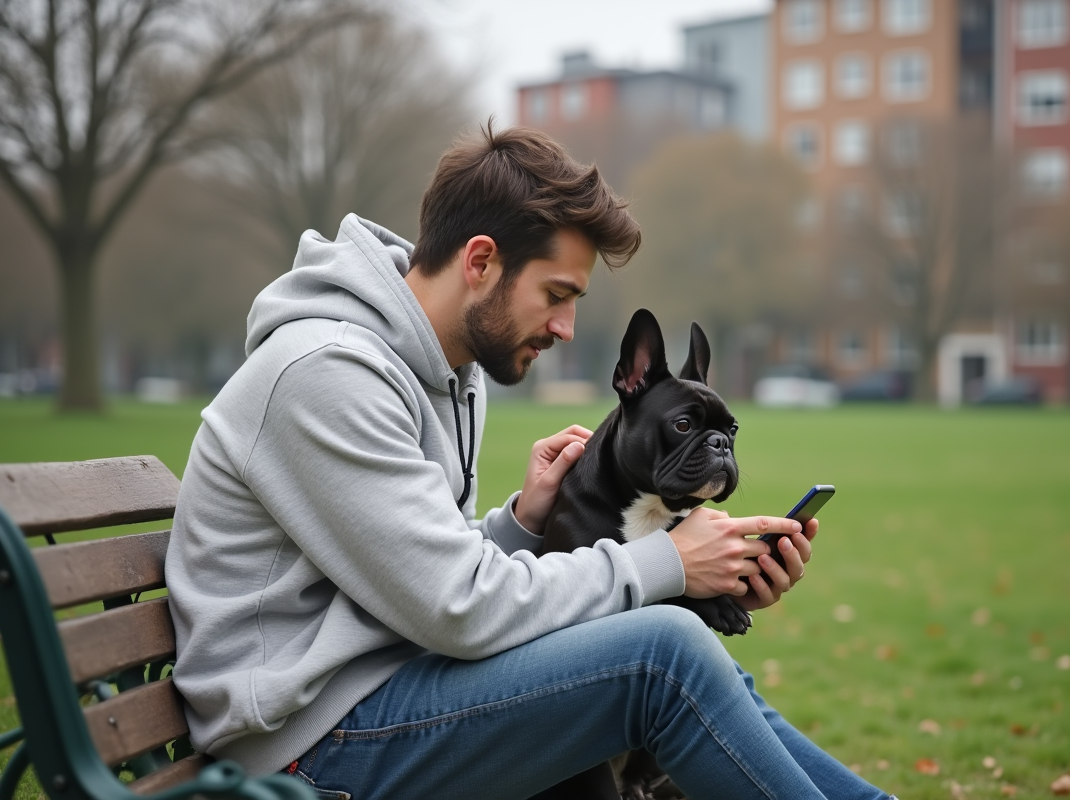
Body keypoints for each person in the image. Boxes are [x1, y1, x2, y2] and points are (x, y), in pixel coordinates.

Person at [165, 124, 894, 800]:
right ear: (481, 261)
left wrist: (519, 526)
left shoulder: (444, 373)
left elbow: (400, 580)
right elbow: (457, 608)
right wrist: (670, 562)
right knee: (661, 655)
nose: (567, 328)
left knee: (696, 658)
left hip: (387, 691)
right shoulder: (325, 374)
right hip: (304, 747)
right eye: (556, 295)